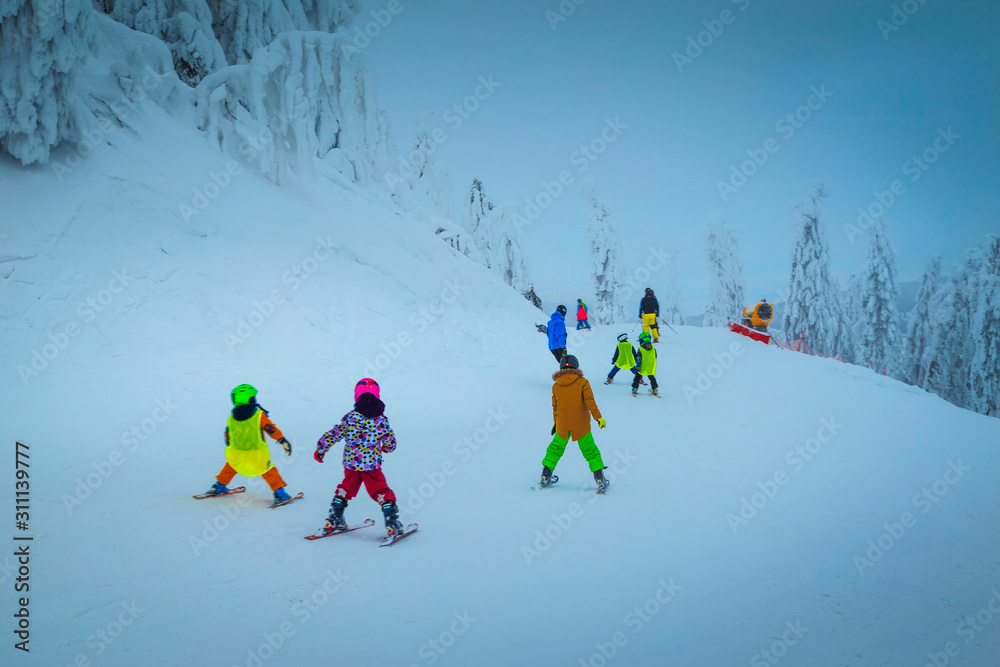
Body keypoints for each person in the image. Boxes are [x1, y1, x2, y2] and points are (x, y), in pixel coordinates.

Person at [313, 378, 404, 537]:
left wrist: (321, 448)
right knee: (380, 490)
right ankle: (392, 522)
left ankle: (334, 519)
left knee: (346, 488)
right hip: (372, 465)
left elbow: (334, 433)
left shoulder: (350, 418)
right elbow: (390, 440)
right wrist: (387, 448)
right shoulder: (381, 420)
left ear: (357, 396)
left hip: (352, 464)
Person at [203, 384, 296, 503]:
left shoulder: (231, 418)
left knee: (231, 466)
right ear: (250, 399)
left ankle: (219, 487)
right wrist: (282, 440)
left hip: (237, 455)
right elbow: (270, 429)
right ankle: (280, 494)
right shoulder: (259, 416)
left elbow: (227, 438)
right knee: (268, 471)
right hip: (257, 456)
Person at [540, 355, 609, 492]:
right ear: (576, 367)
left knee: (555, 449)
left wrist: (556, 423)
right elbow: (590, 402)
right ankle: (599, 477)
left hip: (562, 424)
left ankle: (545, 474)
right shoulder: (583, 382)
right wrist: (598, 417)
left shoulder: (556, 386)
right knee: (590, 450)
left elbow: (555, 406)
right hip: (580, 425)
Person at [632, 333, 659, 397]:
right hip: (650, 366)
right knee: (651, 377)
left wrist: (638, 366)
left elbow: (638, 358)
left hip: (642, 367)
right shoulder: (653, 348)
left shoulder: (640, 349)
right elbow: (655, 357)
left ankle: (635, 388)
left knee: (637, 377)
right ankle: (655, 389)